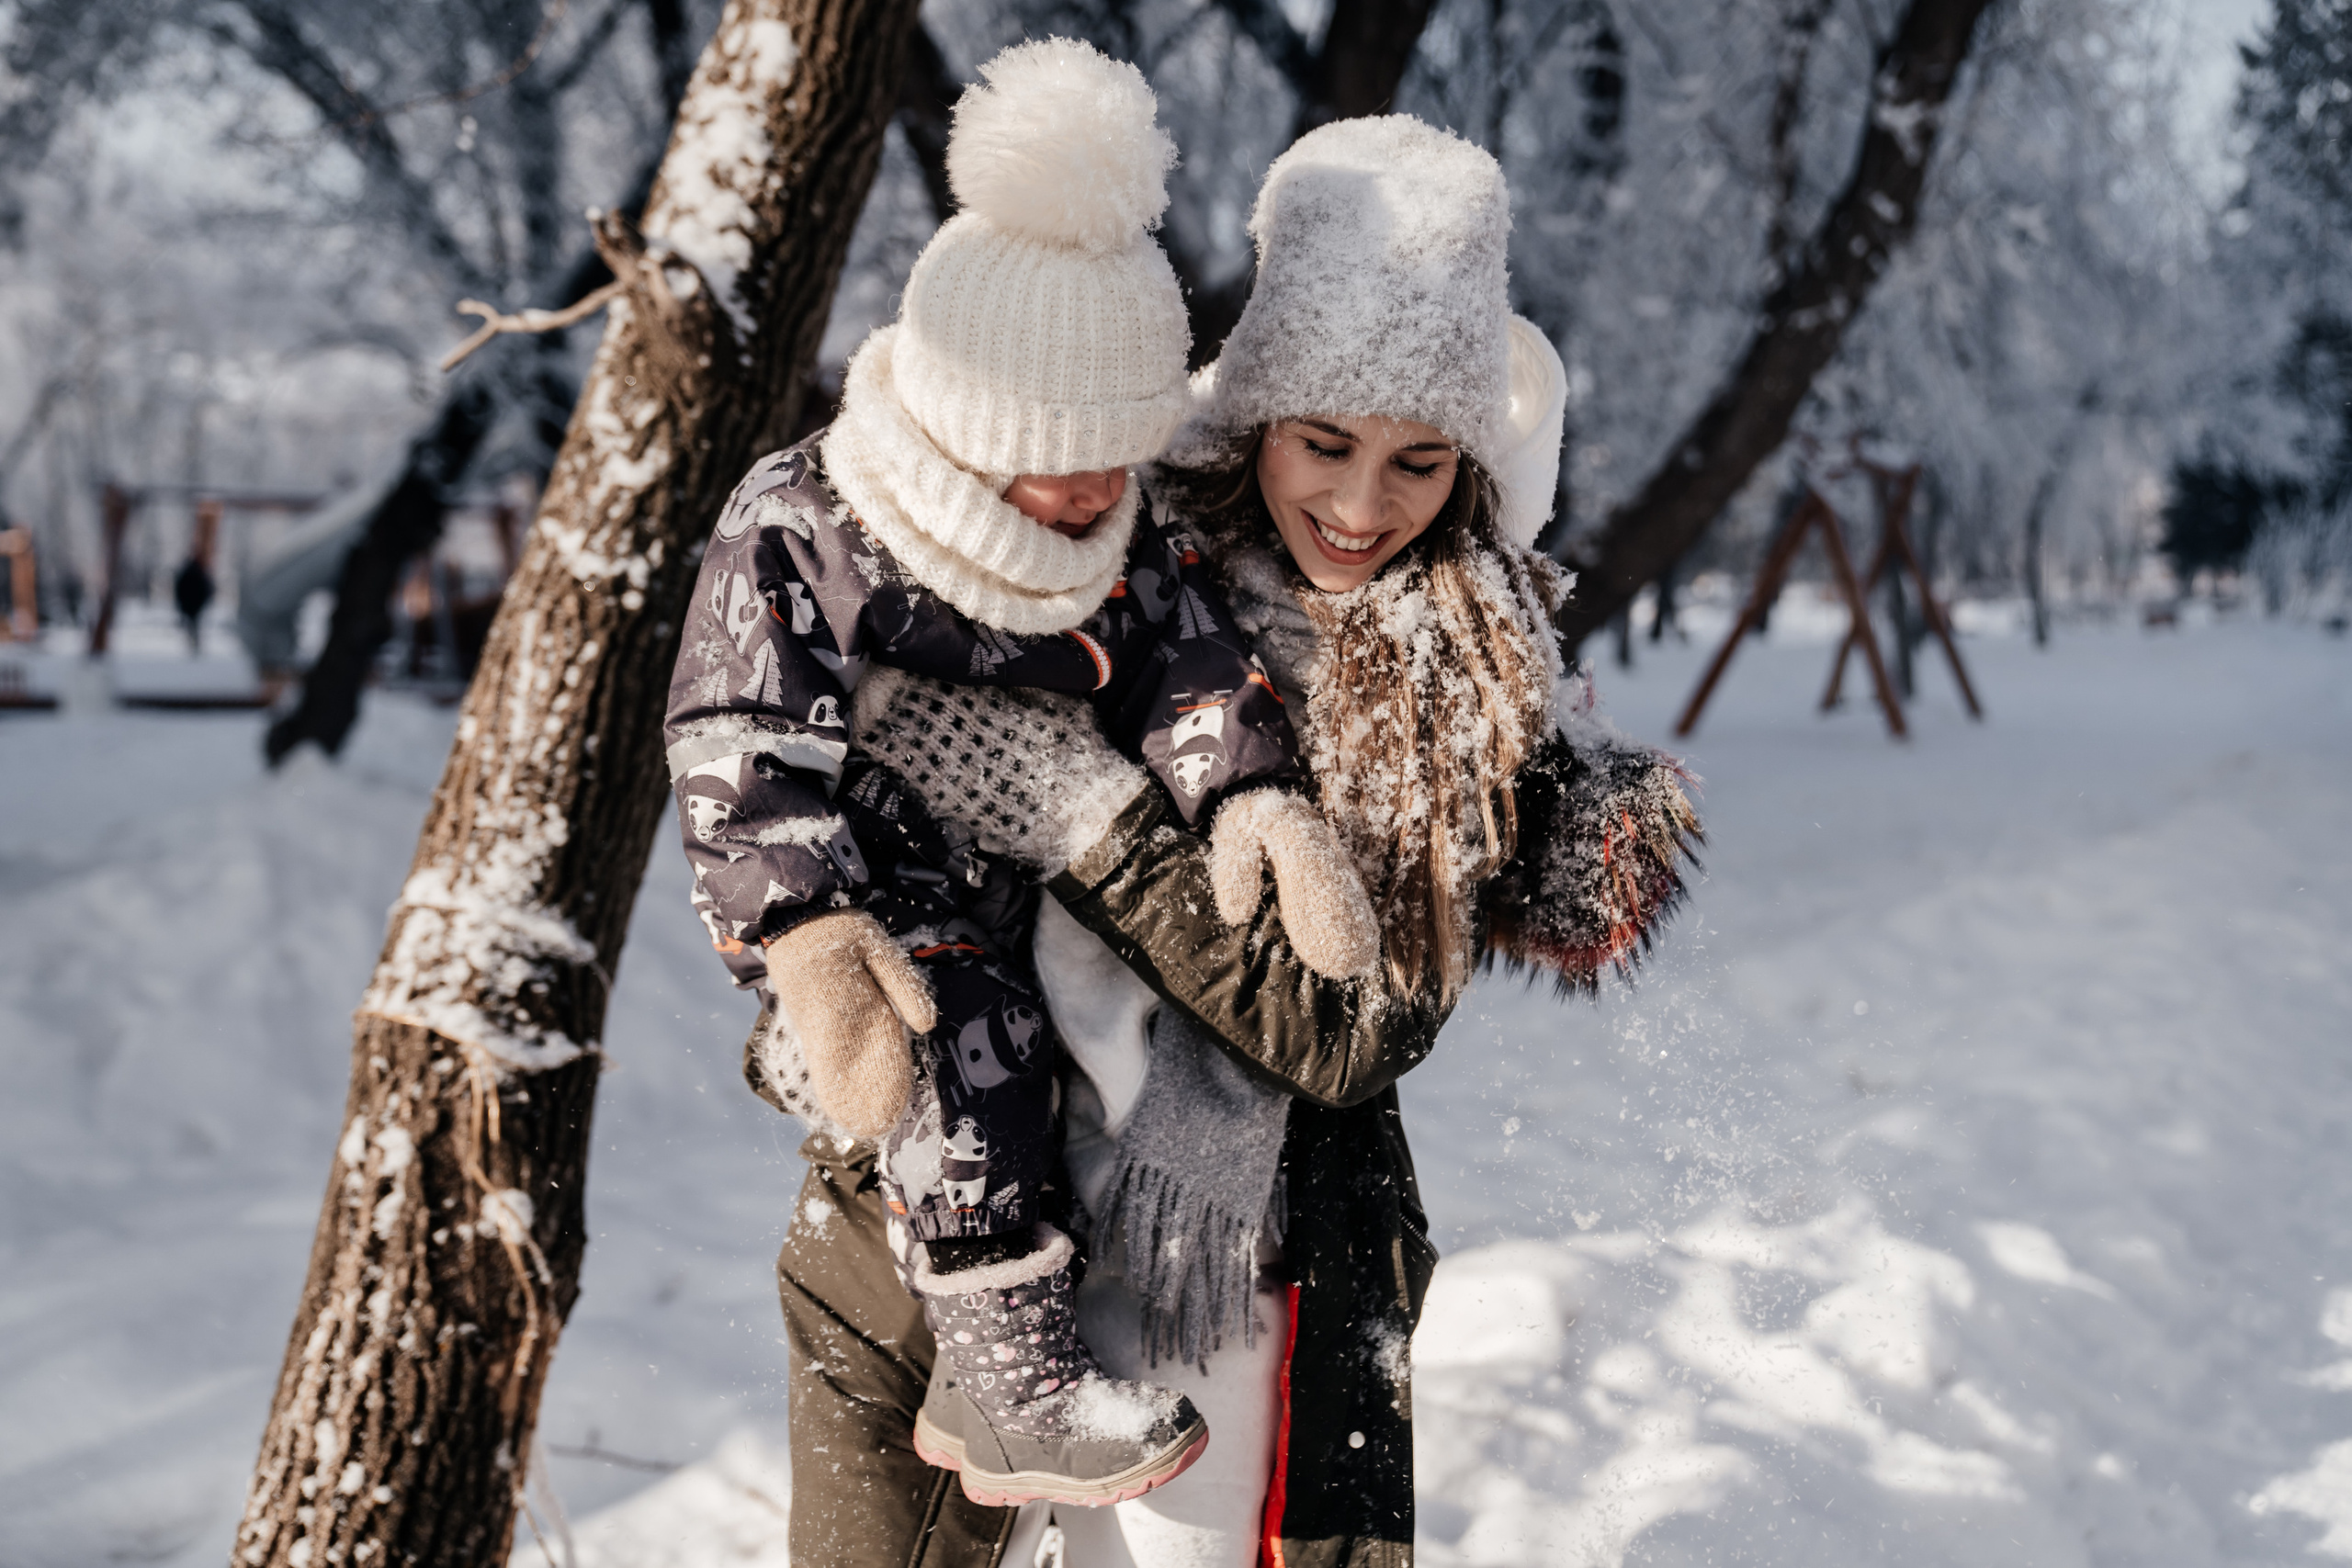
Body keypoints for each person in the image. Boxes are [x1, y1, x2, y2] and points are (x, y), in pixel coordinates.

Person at [780, 113, 1702, 1568]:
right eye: (1324, 443)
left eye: (1418, 463)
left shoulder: (1454, 675)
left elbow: (1349, 1033)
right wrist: (809, 989)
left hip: (1234, 1265)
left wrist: (1089, 818)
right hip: (937, 1219)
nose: (1359, 505)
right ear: (1254, 411)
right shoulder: (1092, 540)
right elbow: (822, 789)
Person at [661, 39, 1379, 1514]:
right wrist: (801, 937)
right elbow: (737, 729)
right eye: (1066, 464)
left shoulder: (1116, 529)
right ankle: (1011, 1381)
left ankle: (1011, 1346)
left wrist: (1251, 795)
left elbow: (1186, 659)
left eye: (1125, 456)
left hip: (1030, 892)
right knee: (963, 1034)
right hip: (866, 898)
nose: (1100, 498)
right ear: (977, 433)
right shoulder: (812, 523)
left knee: (1038, 1050)